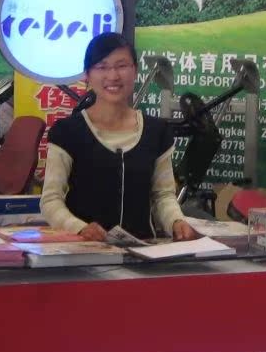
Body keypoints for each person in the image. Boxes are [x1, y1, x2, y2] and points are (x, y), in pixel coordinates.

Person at [41, 32, 197, 242]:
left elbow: (163, 196)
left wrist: (176, 221)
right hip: (84, 250)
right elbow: (51, 200)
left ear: (135, 71)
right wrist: (79, 228)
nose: (113, 76)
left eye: (122, 66)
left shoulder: (157, 132)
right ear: (87, 75)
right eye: (102, 67)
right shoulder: (67, 132)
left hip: (143, 251)